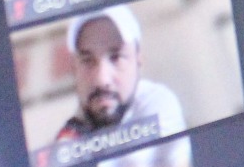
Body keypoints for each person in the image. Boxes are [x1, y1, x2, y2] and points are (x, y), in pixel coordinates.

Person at [53, 7, 186, 142]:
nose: (102, 80)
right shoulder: (69, 136)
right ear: (74, 69)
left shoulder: (157, 104)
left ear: (138, 59)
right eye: (87, 61)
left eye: (116, 58)